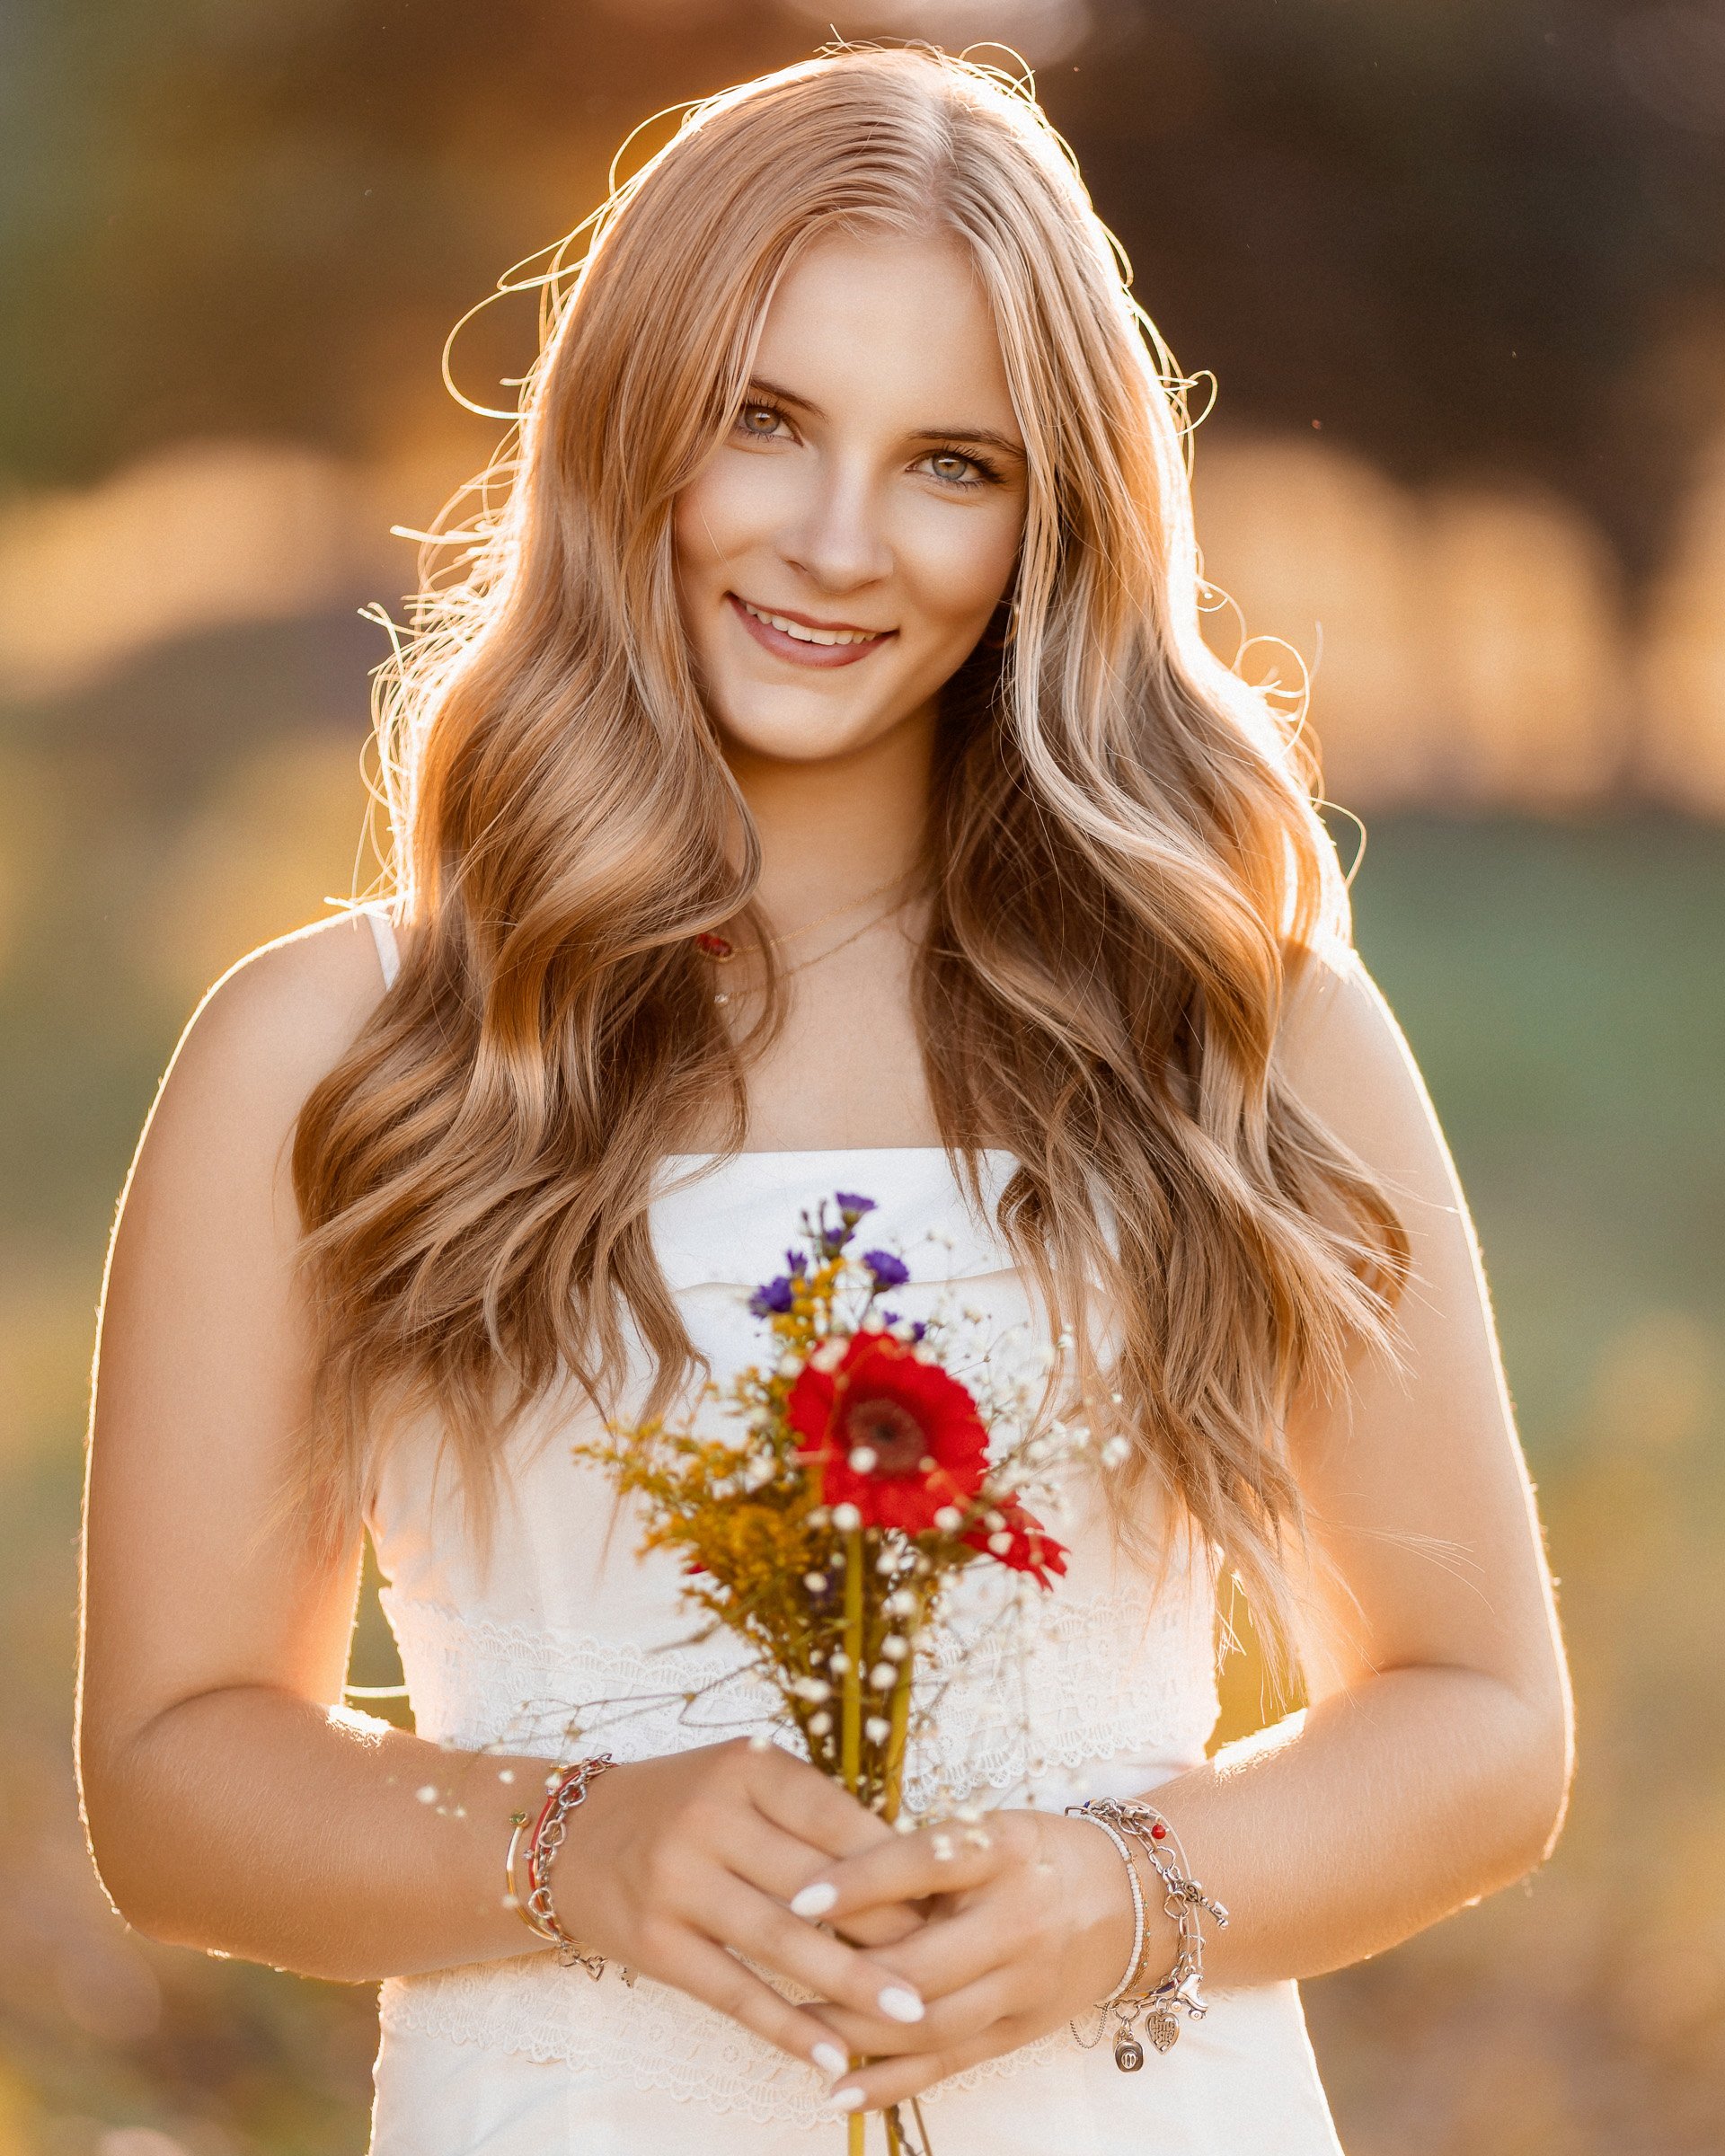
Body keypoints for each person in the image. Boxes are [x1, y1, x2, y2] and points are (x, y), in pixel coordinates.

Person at [77, 46, 1572, 2156]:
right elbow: (169, 1782)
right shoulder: (332, 1053)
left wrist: (1122, 1892)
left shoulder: (1242, 1035)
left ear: (1052, 515)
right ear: (629, 428)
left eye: (953, 461)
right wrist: (565, 1844)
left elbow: (1485, 1724)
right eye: (763, 421)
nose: (841, 541)